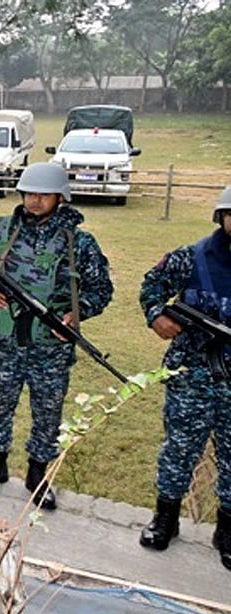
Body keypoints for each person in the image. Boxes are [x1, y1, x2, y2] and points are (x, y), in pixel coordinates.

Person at [0, 162, 114, 510]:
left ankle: (37, 473)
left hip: (50, 346)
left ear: (61, 197)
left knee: (48, 411)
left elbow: (101, 288)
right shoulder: (1, 233)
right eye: (29, 193)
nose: (34, 201)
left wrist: (79, 312)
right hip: (3, 343)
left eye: (43, 195)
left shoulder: (79, 243)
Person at [138, 185, 231, 572]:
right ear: (221, 217)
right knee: (178, 449)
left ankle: (227, 530)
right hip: (191, 376)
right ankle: (166, 519)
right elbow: (151, 286)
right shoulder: (192, 258)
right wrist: (158, 315)